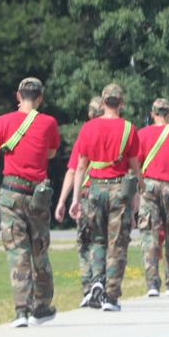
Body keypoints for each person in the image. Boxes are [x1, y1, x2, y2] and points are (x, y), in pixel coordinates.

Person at [0, 77, 60, 327]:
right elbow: (50, 153)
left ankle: (20, 311)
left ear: (18, 96)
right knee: (39, 251)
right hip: (37, 196)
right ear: (40, 98)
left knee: (18, 252)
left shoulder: (3, 122)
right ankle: (42, 306)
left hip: (10, 193)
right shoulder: (49, 122)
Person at [69, 83, 141, 312]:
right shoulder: (129, 129)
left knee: (97, 240)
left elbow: (80, 168)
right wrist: (137, 194)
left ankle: (96, 281)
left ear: (102, 102)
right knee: (118, 243)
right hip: (119, 189)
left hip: (95, 189)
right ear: (121, 103)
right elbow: (134, 167)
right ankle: (111, 295)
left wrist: (76, 199)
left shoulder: (88, 129)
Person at [55, 96, 104, 306]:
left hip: (86, 195)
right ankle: (101, 281)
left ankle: (87, 286)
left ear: (89, 114)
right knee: (105, 241)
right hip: (111, 194)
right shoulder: (121, 129)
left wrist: (63, 200)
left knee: (85, 242)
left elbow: (74, 170)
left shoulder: (85, 133)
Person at [137, 98, 169, 297]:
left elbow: (136, 163)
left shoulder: (142, 133)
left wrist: (139, 187)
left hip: (148, 186)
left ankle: (152, 284)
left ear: (153, 113)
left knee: (149, 234)